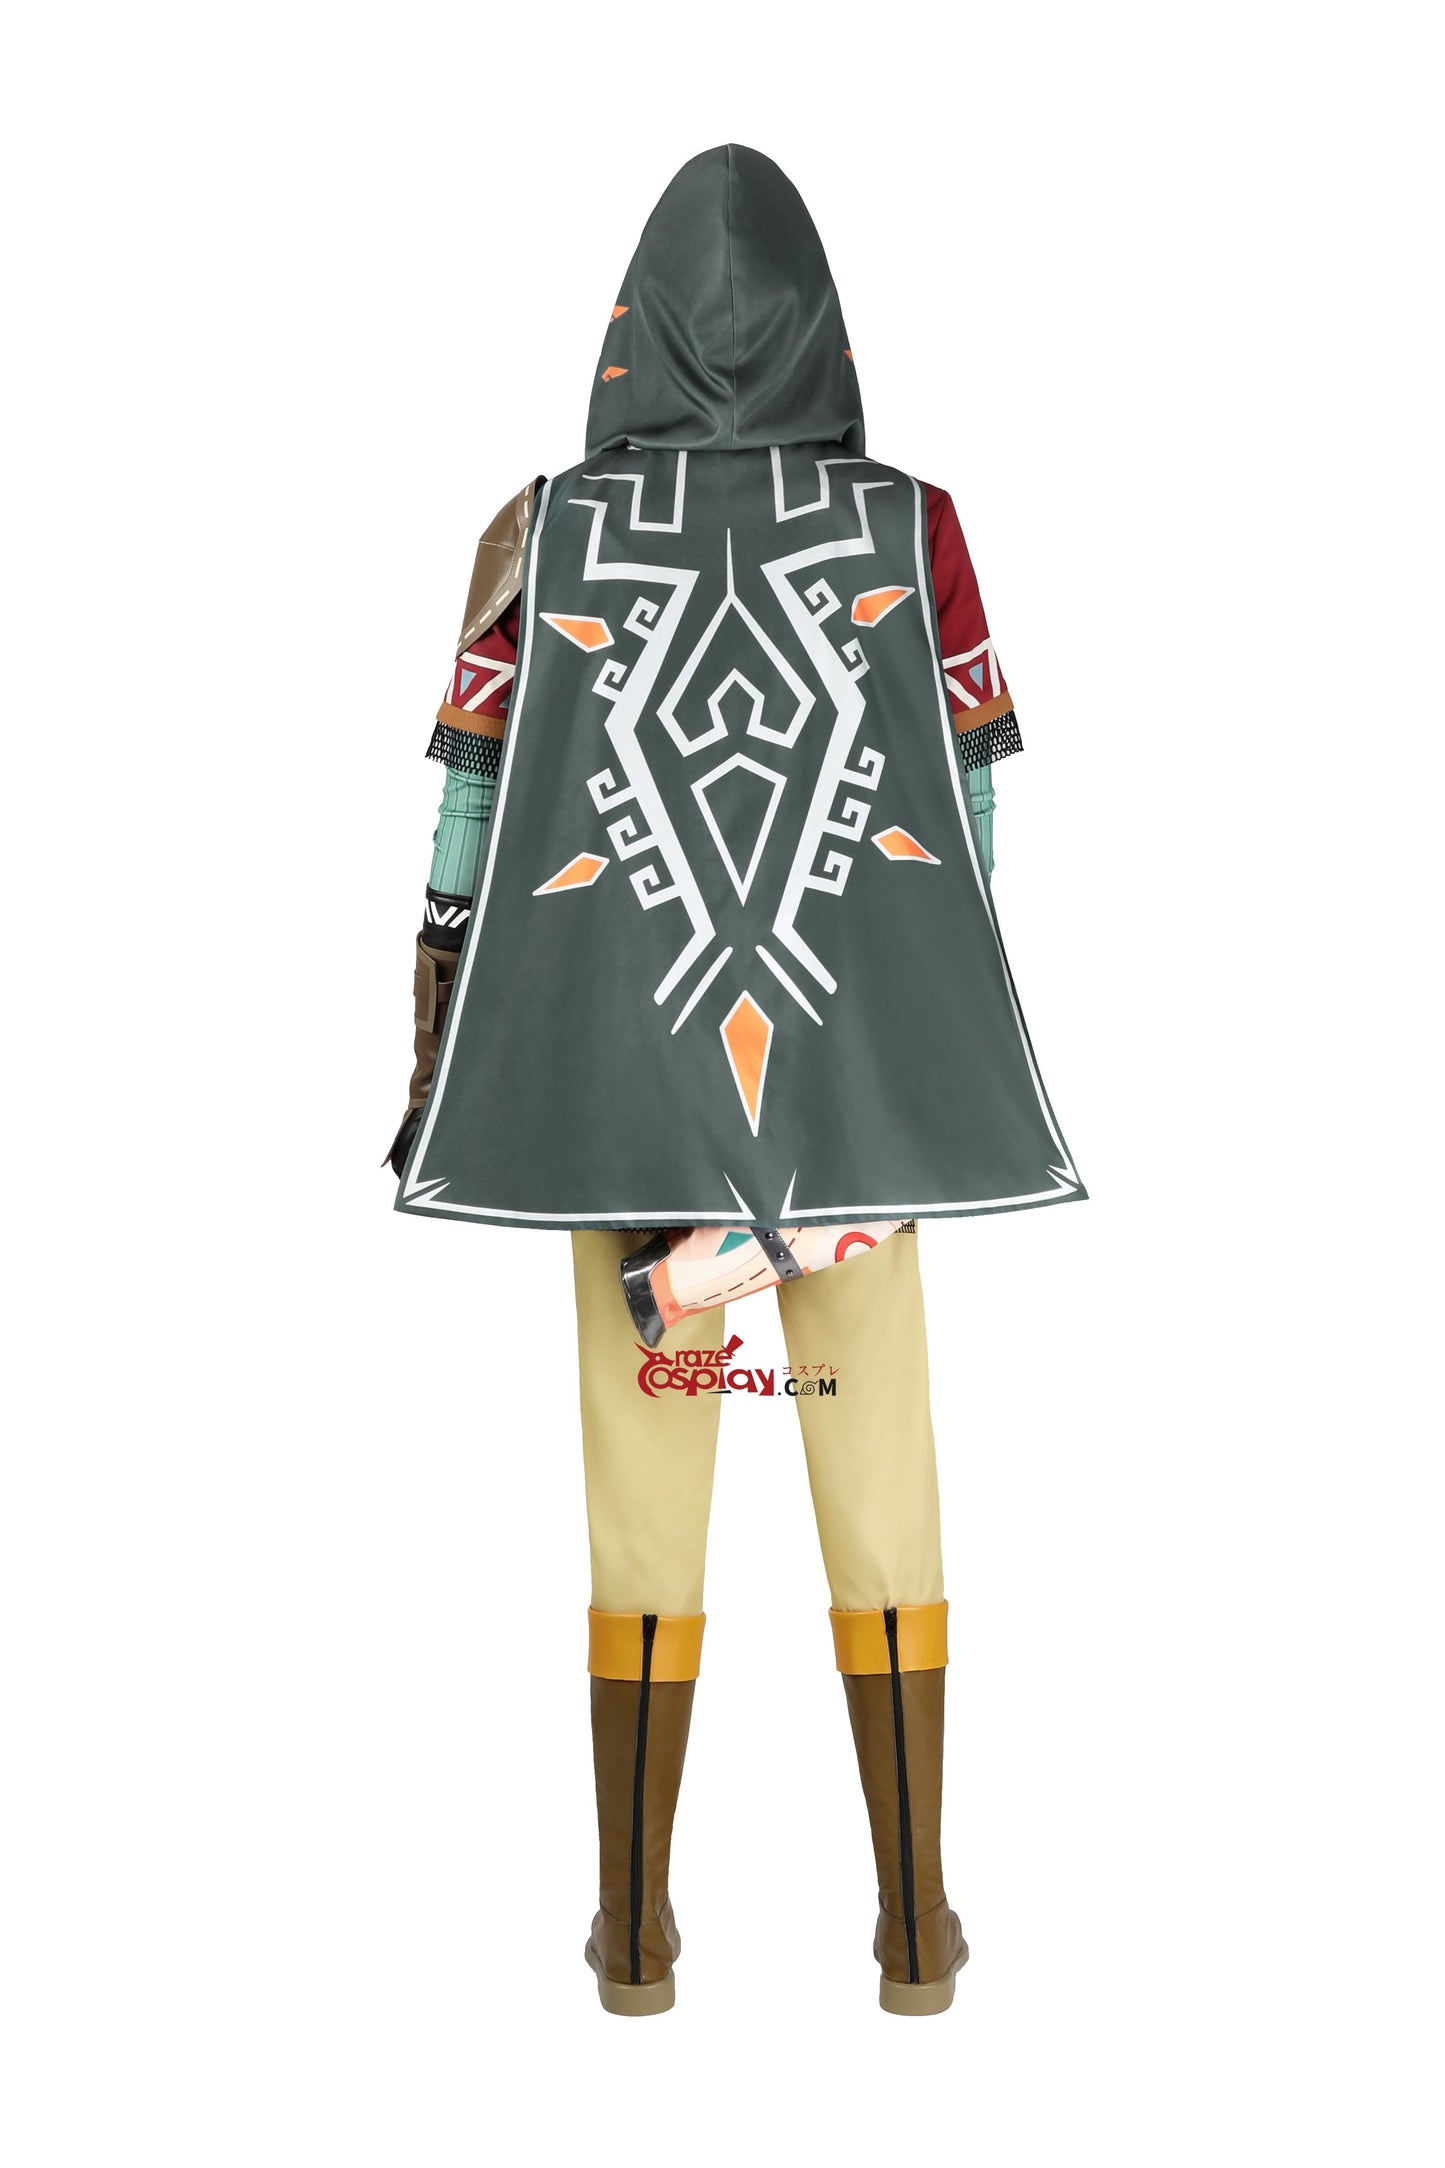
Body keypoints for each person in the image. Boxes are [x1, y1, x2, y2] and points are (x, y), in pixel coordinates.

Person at [386, 144, 1084, 2015]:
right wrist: (926, 1027)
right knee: (874, 1450)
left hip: (611, 1073)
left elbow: (463, 820)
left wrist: (440, 1043)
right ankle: (916, 1922)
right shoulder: (911, 523)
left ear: (627, 326)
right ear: (823, 328)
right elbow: (971, 799)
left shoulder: (542, 527)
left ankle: (631, 1931)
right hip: (849, 1083)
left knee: (642, 1462)